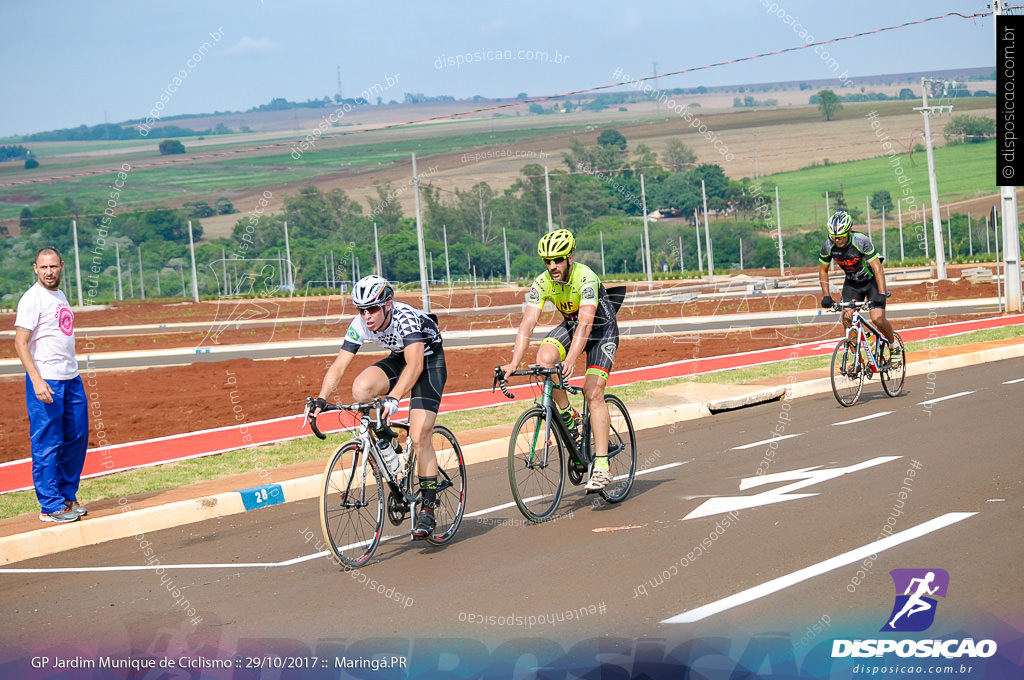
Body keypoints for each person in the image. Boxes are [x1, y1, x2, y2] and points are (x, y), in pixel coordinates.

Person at [310, 274, 446, 539]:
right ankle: (386, 441)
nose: (367, 316)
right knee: (361, 389)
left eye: (372, 309)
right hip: (399, 357)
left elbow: (416, 365)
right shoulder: (360, 323)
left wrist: (394, 397)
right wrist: (321, 399)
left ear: (388, 305)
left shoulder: (405, 318)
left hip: (428, 362)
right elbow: (339, 366)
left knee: (419, 436)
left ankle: (428, 507)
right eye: (361, 310)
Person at [501, 229, 621, 492]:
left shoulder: (586, 277)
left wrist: (573, 360)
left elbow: (587, 323)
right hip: (571, 325)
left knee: (593, 391)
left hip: (601, 330)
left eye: (557, 259)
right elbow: (528, 324)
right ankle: (569, 415)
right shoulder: (542, 282)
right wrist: (513, 363)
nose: (552, 266)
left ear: (570, 258)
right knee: (544, 360)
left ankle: (602, 466)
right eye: (547, 261)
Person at [14, 247, 90, 523]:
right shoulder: (32, 299)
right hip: (47, 380)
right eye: (44, 267)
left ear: (61, 267)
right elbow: (20, 342)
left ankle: (68, 497)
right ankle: (50, 505)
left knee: (77, 436)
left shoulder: (59, 295)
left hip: (71, 378)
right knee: (48, 442)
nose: (49, 272)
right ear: (35, 268)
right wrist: (36, 379)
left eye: (53, 267)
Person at [818, 210, 901, 366]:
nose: (837, 240)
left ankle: (893, 346)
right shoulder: (828, 245)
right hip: (852, 283)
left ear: (849, 230)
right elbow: (823, 270)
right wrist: (826, 296)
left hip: (871, 282)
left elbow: (877, 267)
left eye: (841, 236)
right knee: (847, 318)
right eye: (834, 237)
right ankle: (859, 361)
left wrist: (881, 294)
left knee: (877, 318)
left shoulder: (861, 240)